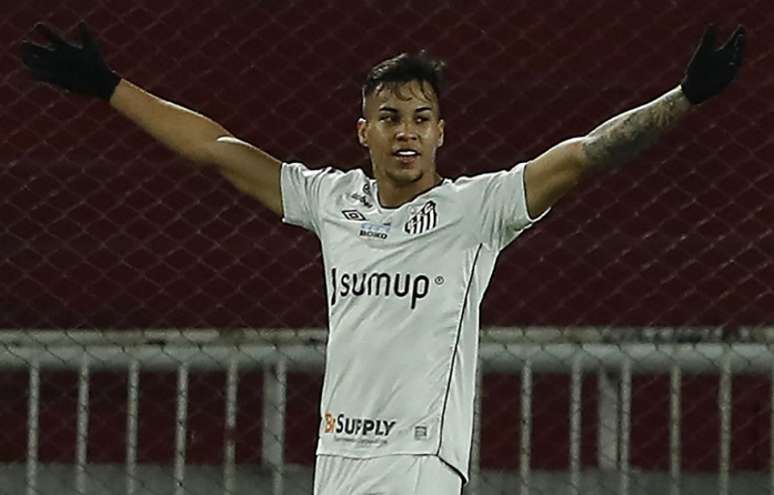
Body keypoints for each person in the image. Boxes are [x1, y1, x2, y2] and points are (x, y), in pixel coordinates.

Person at [21, 21, 746, 494]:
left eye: (421, 119)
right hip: (336, 462)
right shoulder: (331, 201)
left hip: (418, 465)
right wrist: (107, 87)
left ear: (441, 133)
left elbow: (586, 156)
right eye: (392, 118)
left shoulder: (477, 210)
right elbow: (215, 151)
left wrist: (683, 98)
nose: (407, 133)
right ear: (363, 130)